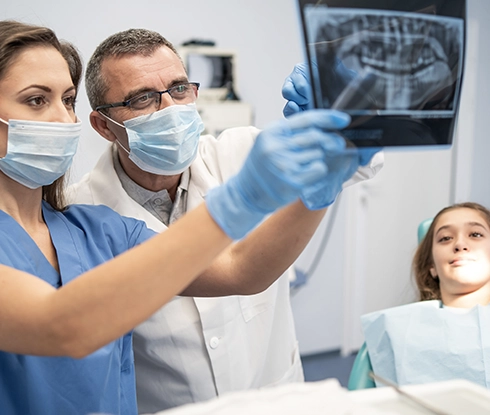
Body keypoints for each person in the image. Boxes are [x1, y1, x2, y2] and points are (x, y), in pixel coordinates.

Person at [0, 19, 373, 415]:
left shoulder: (96, 229)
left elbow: (240, 271)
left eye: (69, 100)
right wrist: (242, 198)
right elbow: (66, 326)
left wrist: (317, 190)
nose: (63, 119)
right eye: (37, 100)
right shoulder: (93, 210)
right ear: (104, 125)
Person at [361, 202, 490, 388]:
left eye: (476, 234)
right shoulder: (395, 330)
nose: (460, 244)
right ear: (432, 266)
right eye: (445, 238)